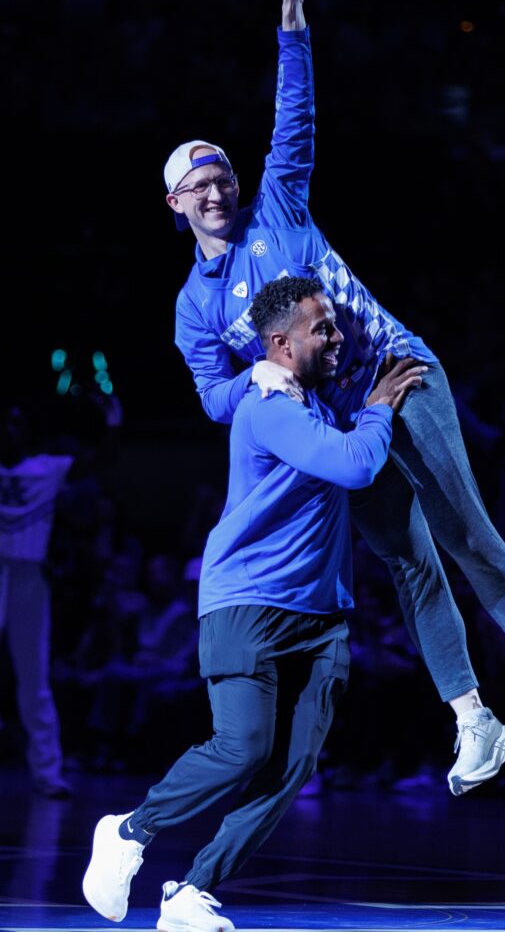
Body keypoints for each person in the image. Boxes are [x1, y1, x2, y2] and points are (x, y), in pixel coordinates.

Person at [166, 0, 505, 796]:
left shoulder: (277, 207)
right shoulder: (193, 306)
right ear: (175, 204)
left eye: (222, 176)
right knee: (405, 562)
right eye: (197, 183)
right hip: (341, 422)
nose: (216, 189)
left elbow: (295, 122)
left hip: (397, 372)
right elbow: (216, 398)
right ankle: (474, 719)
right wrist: (258, 380)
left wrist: (292, 27)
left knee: (462, 526)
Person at [82, 276, 425, 932]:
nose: (334, 336)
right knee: (242, 746)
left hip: (319, 615)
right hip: (247, 601)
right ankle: (129, 831)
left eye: (333, 325)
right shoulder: (266, 406)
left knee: (293, 765)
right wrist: (380, 405)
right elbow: (355, 466)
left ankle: (191, 891)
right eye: (320, 327)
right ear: (278, 342)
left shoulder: (309, 400)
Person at [0, 403, 73, 798]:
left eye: (16, 423)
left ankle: (48, 772)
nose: (10, 432)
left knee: (34, 675)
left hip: (29, 574)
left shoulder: (48, 467)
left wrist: (111, 422)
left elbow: (102, 461)